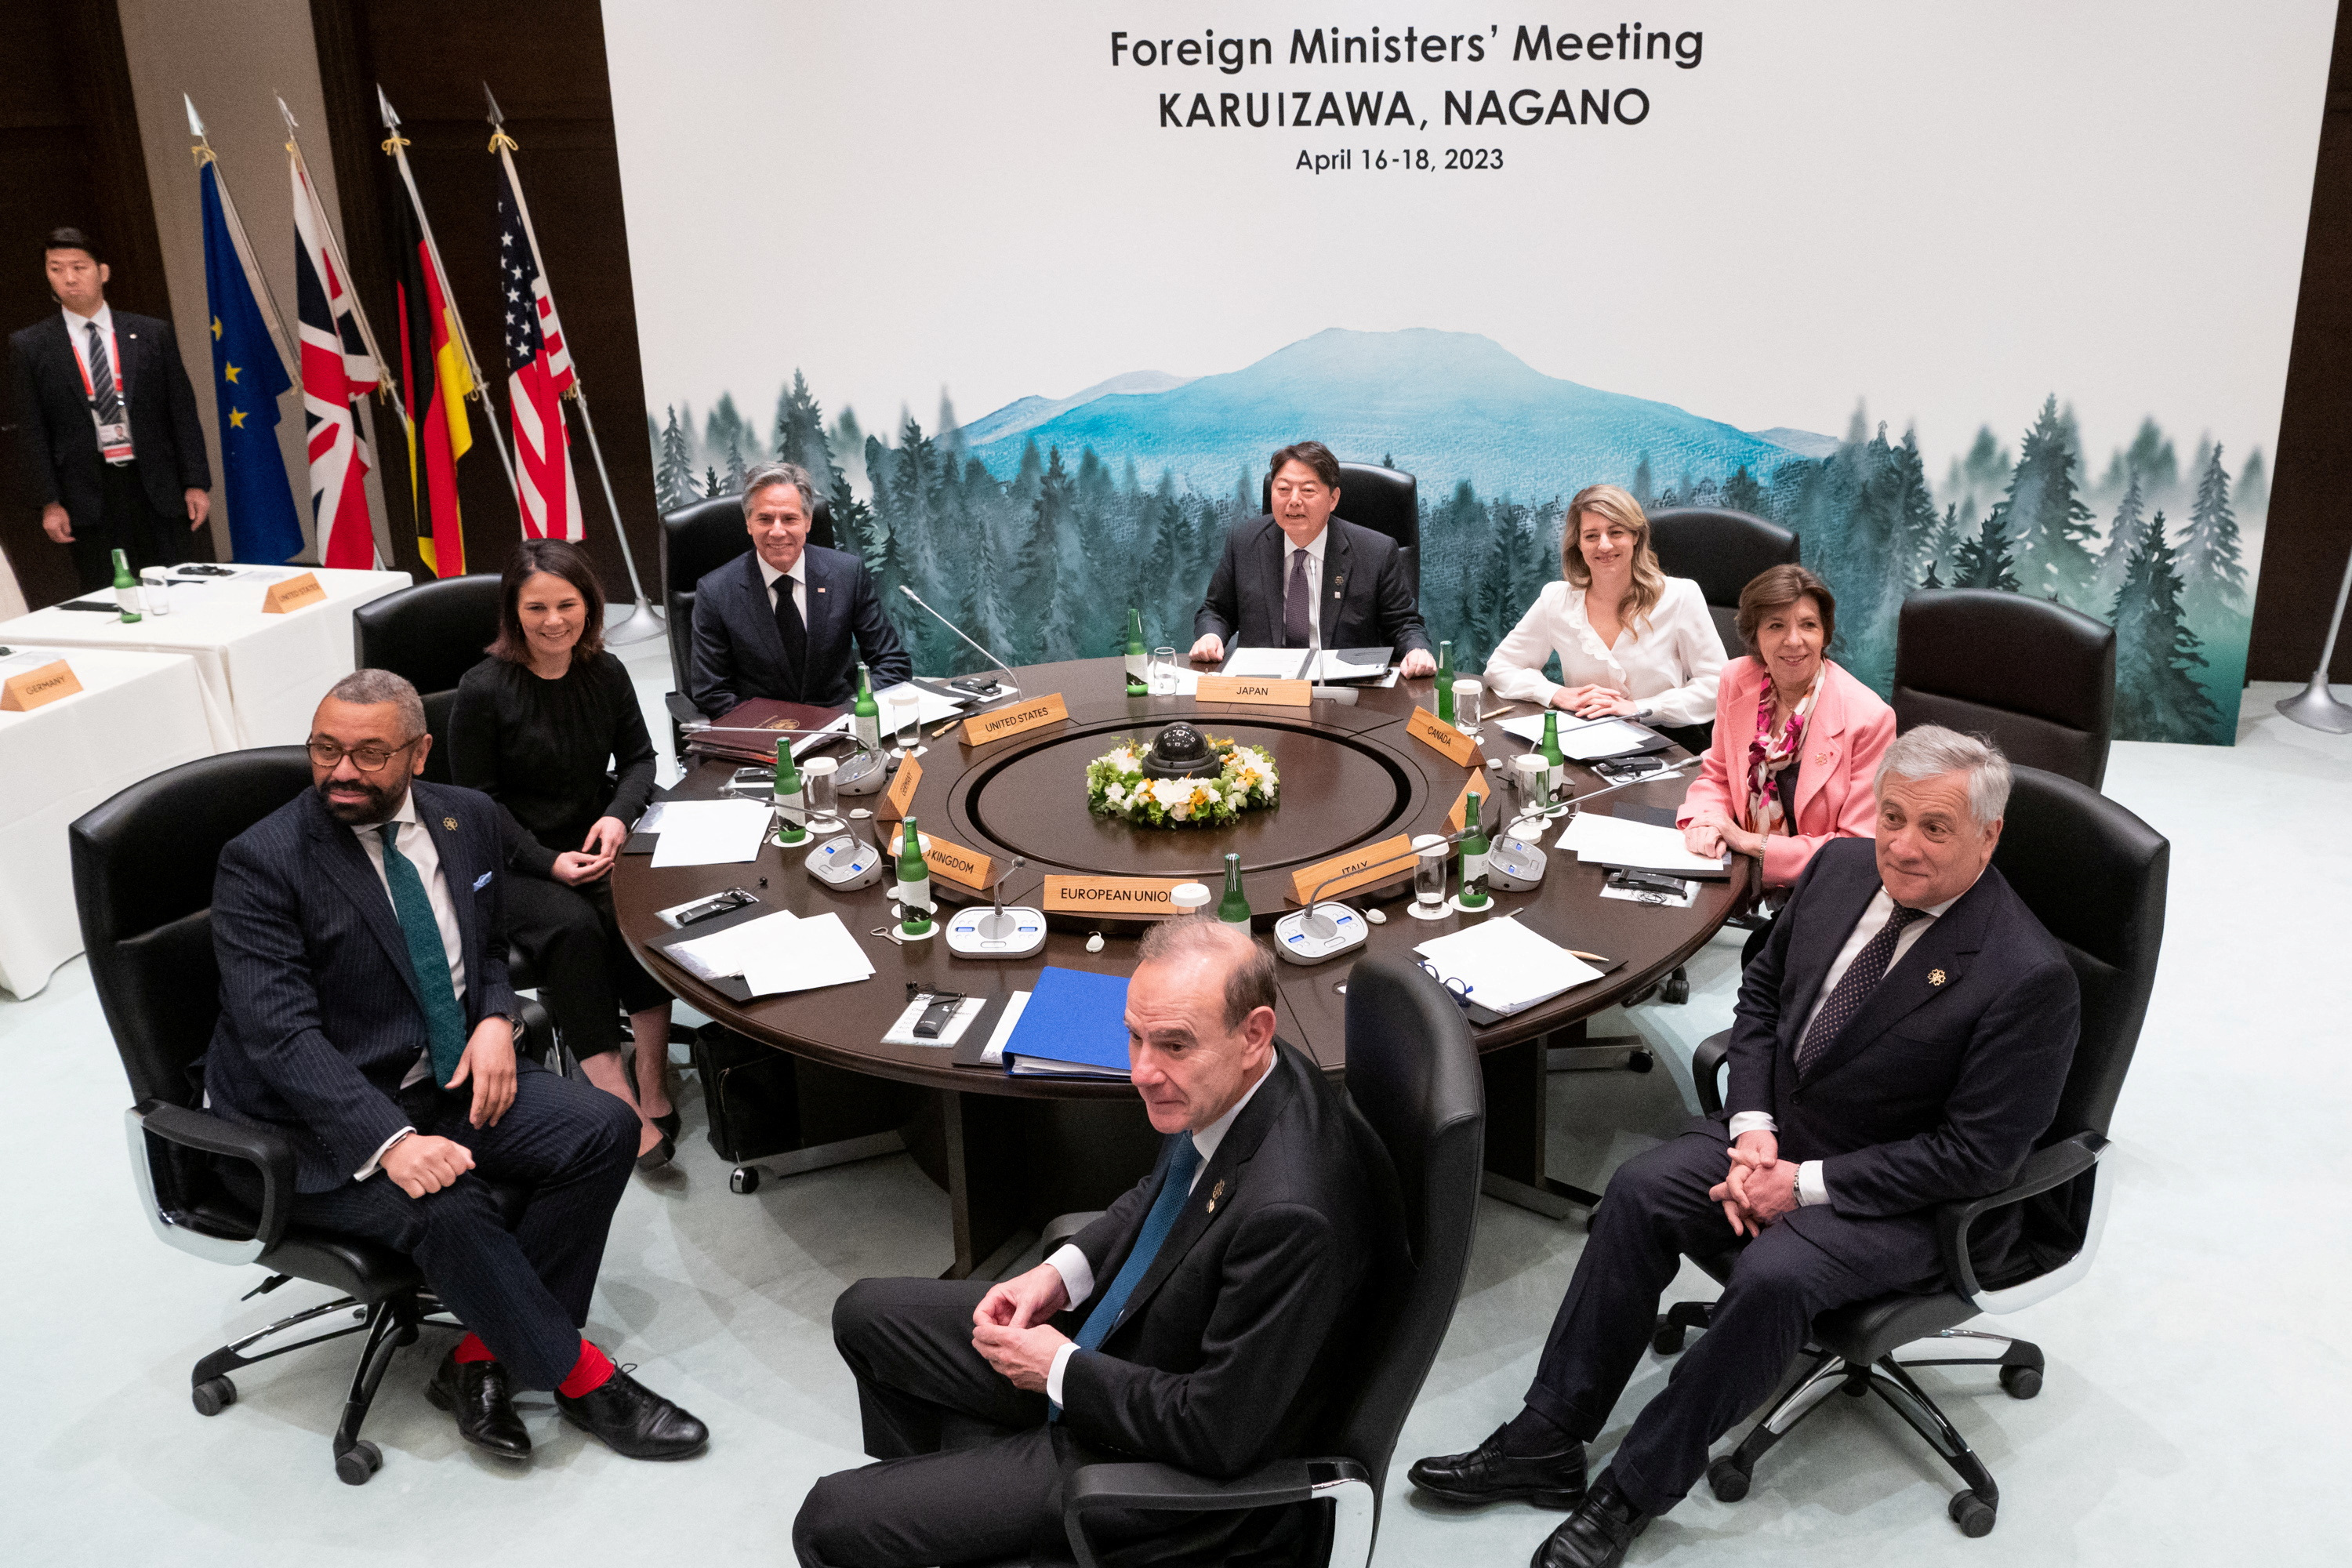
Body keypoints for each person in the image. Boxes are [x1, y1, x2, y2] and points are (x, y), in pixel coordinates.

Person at [1406, 727, 2079, 1568]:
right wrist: (1753, 1130)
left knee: (1772, 1276)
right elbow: (1760, 999)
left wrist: (1799, 1185)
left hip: (1904, 1198)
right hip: (1779, 1136)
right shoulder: (1840, 869)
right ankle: (1549, 1435)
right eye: (1893, 815)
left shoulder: (2027, 977)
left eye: (1934, 828)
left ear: (1989, 835)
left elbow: (1974, 1156)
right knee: (1640, 1187)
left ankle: (1632, 1491)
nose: (1902, 846)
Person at [205, 669, 708, 1465]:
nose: (342, 770)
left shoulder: (465, 815)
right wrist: (393, 1143)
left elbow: (489, 946)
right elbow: (283, 1040)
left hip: (438, 1072)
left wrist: (497, 1018)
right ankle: (582, 1376)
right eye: (325, 748)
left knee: (603, 1127)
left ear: (418, 752)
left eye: (370, 752)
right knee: (449, 1203)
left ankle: (478, 1355)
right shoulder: (262, 861)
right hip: (310, 1121)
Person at [793, 916, 1405, 1567]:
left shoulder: (1291, 1214)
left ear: (1254, 1033)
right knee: (864, 1316)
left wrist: (1056, 1368)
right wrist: (1061, 1272)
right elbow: (1163, 1188)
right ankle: (959, 1503)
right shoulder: (1241, 1081)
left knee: (827, 1523)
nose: (1142, 1071)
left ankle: (973, 1511)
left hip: (1153, 1464)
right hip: (1126, 1338)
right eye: (1135, 1038)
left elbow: (1217, 1432)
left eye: (1171, 1045)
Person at [448, 539, 679, 1171]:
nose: (554, 621)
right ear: (512, 612)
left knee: (635, 906)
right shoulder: (482, 690)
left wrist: (615, 816)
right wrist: (545, 860)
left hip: (590, 830)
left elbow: (638, 759)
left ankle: (652, 1074)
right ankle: (618, 1105)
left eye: (567, 604)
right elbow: (476, 802)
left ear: (590, 605)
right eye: (537, 608)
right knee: (574, 927)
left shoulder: (604, 671)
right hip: (510, 852)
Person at [1679, 564, 1896, 960]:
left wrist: (1751, 843)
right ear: (1755, 637)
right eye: (1776, 626)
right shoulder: (1737, 679)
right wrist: (1704, 822)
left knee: (1762, 962)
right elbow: (1719, 775)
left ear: (1825, 634)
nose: (1793, 641)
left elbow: (1858, 849)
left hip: (1832, 891)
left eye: (1808, 625)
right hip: (1745, 867)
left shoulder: (1869, 718)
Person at [9, 227, 211, 591]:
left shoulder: (151, 333)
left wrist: (195, 482)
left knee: (176, 590)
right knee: (110, 594)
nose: (68, 278)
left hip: (156, 484)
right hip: (87, 493)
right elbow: (33, 429)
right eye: (56, 269)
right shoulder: (31, 345)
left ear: (102, 272)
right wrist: (49, 502)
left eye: (78, 267)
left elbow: (181, 411)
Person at [1484, 483, 1725, 751]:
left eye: (1616, 532)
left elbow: (1717, 685)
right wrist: (1557, 694)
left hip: (1671, 743)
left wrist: (1641, 708)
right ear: (1578, 544)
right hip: (1589, 739)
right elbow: (1500, 667)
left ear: (1636, 536)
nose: (1605, 545)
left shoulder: (1680, 596)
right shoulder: (1557, 599)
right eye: (1591, 536)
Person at [1189, 440, 1437, 677]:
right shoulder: (1244, 541)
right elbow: (1217, 610)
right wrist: (1211, 636)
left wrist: (1417, 650)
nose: (1294, 500)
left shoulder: (1376, 551)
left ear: (1333, 499)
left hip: (1345, 689)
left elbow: (1404, 623)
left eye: (1307, 491)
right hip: (1265, 687)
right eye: (1283, 489)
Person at [686, 459, 910, 716]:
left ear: (808, 522)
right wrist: (778, 731)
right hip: (767, 736)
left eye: (790, 518)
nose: (777, 531)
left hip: (842, 725)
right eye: (765, 519)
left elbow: (892, 663)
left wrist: (851, 711)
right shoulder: (715, 591)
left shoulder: (847, 574)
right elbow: (711, 692)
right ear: (749, 523)